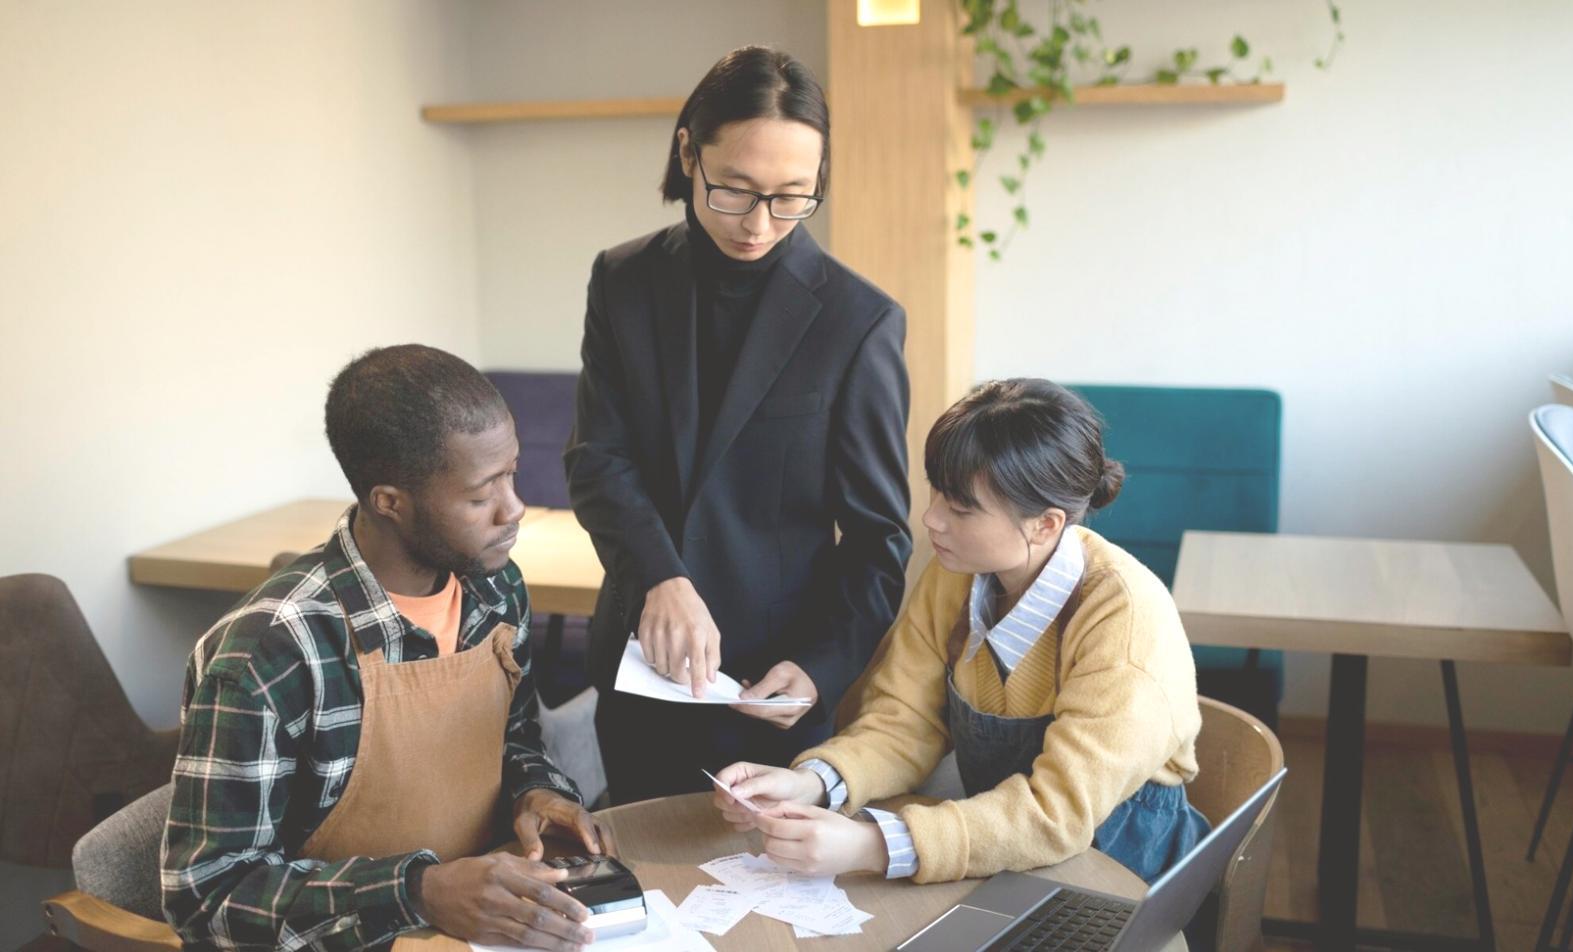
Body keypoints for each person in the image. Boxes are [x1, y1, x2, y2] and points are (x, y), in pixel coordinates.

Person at [163, 345, 612, 951]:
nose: (515, 508)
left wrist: (537, 790)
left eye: (511, 472)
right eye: (482, 495)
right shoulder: (268, 656)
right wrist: (418, 890)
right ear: (390, 502)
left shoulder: (496, 589)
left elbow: (513, 740)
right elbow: (205, 897)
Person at [565, 45, 912, 803]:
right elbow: (598, 460)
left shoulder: (859, 321)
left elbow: (881, 538)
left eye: (792, 196)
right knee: (648, 886)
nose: (760, 224)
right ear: (689, 151)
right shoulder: (622, 281)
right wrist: (661, 574)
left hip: (770, 689)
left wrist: (821, 668)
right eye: (736, 190)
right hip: (638, 671)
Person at [710, 379, 1210, 885]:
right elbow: (903, 720)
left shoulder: (1123, 621)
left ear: (1045, 524)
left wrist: (874, 844)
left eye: (961, 507)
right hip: (999, 846)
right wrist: (812, 782)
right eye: (937, 493)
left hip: (1121, 866)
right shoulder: (956, 573)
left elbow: (1055, 815)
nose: (931, 519)